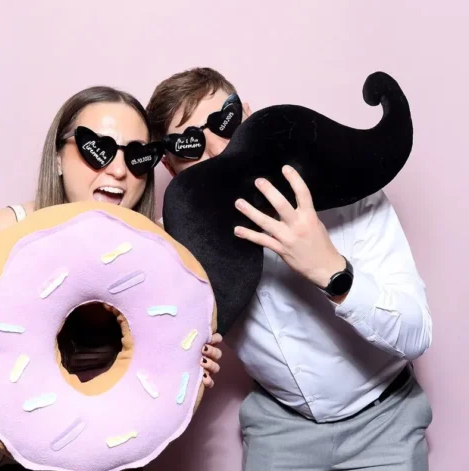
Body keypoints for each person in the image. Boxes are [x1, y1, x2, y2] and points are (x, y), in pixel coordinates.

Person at [146, 68, 433, 471]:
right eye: (189, 144)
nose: (216, 150)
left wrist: (332, 270)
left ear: (249, 114)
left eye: (224, 122)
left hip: (385, 420)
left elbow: (417, 333)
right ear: (173, 169)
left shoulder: (353, 196)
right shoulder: (174, 251)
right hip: (279, 429)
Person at [0, 86, 224, 470]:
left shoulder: (160, 256)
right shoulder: (7, 236)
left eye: (138, 156)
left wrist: (190, 362)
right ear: (58, 157)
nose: (119, 170)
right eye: (98, 149)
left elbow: (155, 414)